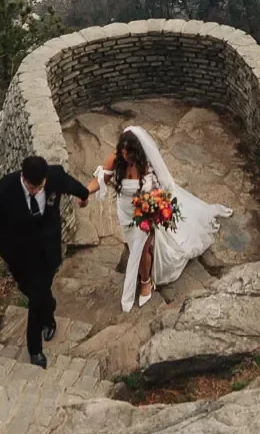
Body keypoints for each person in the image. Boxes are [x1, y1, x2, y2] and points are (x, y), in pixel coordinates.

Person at [92, 124, 233, 313]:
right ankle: (142, 276)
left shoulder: (148, 168)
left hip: (145, 214)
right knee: (133, 245)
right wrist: (83, 192)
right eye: (122, 152)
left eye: (128, 153)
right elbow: (101, 179)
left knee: (141, 250)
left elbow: (160, 192)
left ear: (136, 152)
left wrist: (151, 211)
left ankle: (145, 282)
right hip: (125, 214)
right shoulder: (116, 159)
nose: (124, 156)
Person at [0, 153, 93, 366]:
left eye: (40, 187)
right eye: (31, 187)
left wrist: (84, 195)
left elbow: (70, 184)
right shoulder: (2, 191)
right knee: (34, 293)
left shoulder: (54, 176)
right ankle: (49, 309)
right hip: (18, 254)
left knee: (36, 298)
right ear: (23, 177)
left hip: (47, 251)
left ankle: (35, 350)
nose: (36, 191)